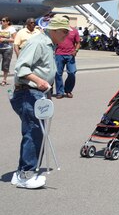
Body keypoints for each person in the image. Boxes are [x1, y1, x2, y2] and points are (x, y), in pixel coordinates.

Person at [10, 14, 71, 189]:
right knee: (34, 132)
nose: (66, 35)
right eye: (63, 32)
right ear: (54, 30)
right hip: (31, 92)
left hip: (38, 92)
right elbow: (21, 67)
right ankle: (26, 174)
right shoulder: (38, 42)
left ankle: (22, 171)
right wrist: (39, 81)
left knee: (35, 131)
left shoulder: (48, 44)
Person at [53, 15, 80, 98]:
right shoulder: (57, 31)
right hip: (59, 54)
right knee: (58, 73)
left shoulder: (74, 31)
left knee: (72, 72)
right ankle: (60, 92)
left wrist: (76, 51)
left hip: (70, 55)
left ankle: (68, 90)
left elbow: (78, 42)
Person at [0, 16, 14, 86]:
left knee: (5, 64)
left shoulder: (12, 29)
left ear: (8, 22)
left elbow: (15, 39)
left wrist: (5, 40)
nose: (2, 22)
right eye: (2, 20)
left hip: (8, 48)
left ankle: (4, 80)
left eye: (4, 21)